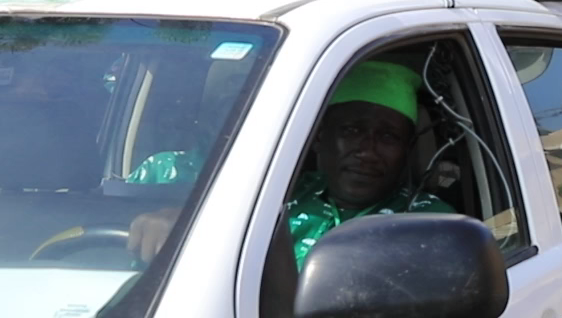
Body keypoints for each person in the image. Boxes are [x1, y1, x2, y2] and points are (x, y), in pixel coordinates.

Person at [126, 59, 453, 264]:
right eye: (352, 131)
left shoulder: (428, 223)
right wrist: (184, 221)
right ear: (320, 138)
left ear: (407, 149)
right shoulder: (280, 192)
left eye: (388, 137)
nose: (367, 150)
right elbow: (225, 216)